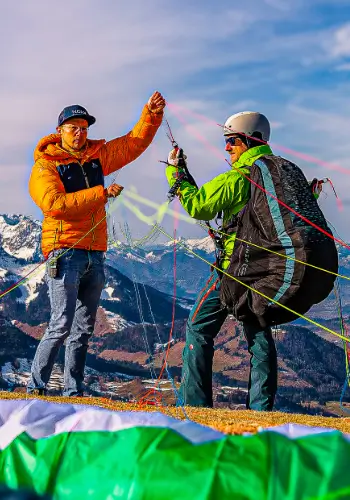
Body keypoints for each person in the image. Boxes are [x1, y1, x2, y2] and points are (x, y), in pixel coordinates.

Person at [27, 91, 166, 396]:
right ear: (59, 131)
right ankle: (35, 389)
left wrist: (151, 115)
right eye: (73, 127)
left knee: (83, 329)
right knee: (60, 324)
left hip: (95, 253)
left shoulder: (96, 156)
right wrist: (101, 194)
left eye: (84, 128)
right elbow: (54, 204)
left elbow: (132, 144)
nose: (80, 133)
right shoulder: (46, 165)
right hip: (65, 252)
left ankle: (72, 391)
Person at [165, 111, 278, 411]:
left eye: (231, 141)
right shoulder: (277, 175)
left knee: (198, 327)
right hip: (268, 271)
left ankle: (195, 405)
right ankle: (261, 410)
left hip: (234, 269)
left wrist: (176, 174)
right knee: (259, 336)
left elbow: (200, 205)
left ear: (247, 141)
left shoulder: (239, 177)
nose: (227, 148)